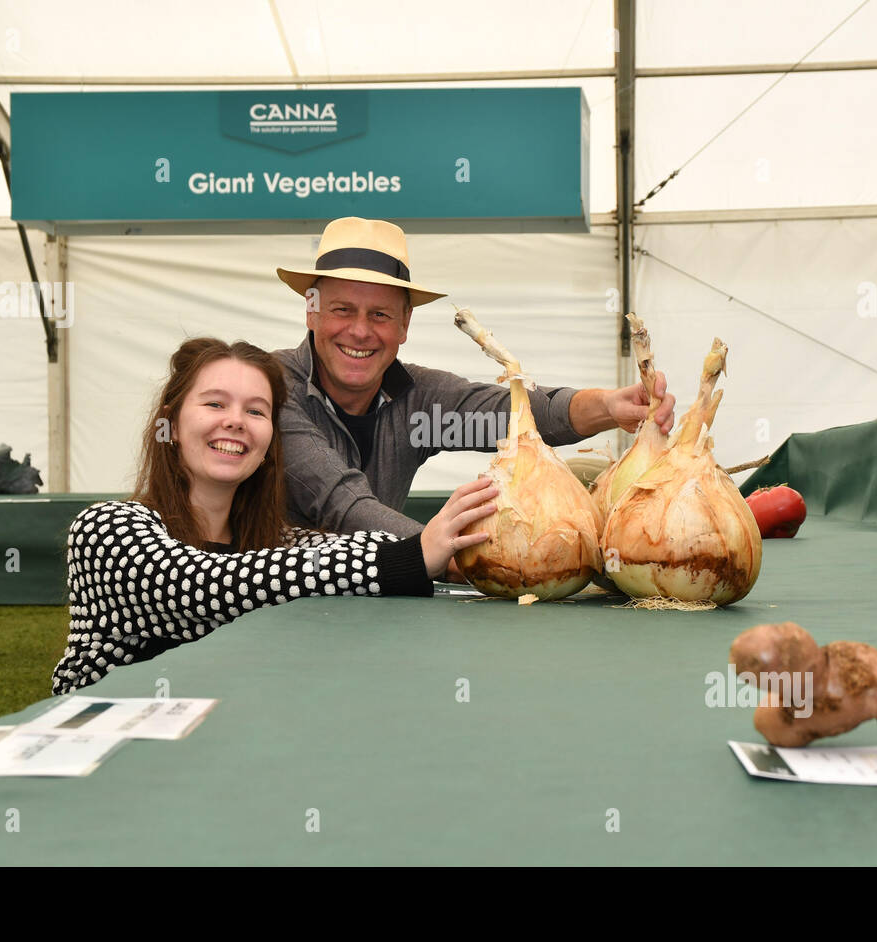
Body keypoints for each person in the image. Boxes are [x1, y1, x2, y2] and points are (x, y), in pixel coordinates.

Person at [50, 337, 498, 694]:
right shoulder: (105, 530)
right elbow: (202, 586)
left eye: (256, 411)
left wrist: (457, 549)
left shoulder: (279, 542)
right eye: (214, 404)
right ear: (169, 423)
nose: (236, 421)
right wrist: (412, 556)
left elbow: (338, 553)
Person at [273, 217, 677, 547]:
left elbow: (520, 415)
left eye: (380, 315)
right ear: (312, 311)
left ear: (404, 324)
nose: (360, 332)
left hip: (379, 609)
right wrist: (446, 553)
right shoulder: (272, 388)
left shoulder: (421, 408)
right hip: (278, 614)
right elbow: (341, 503)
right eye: (343, 310)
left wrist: (607, 406)